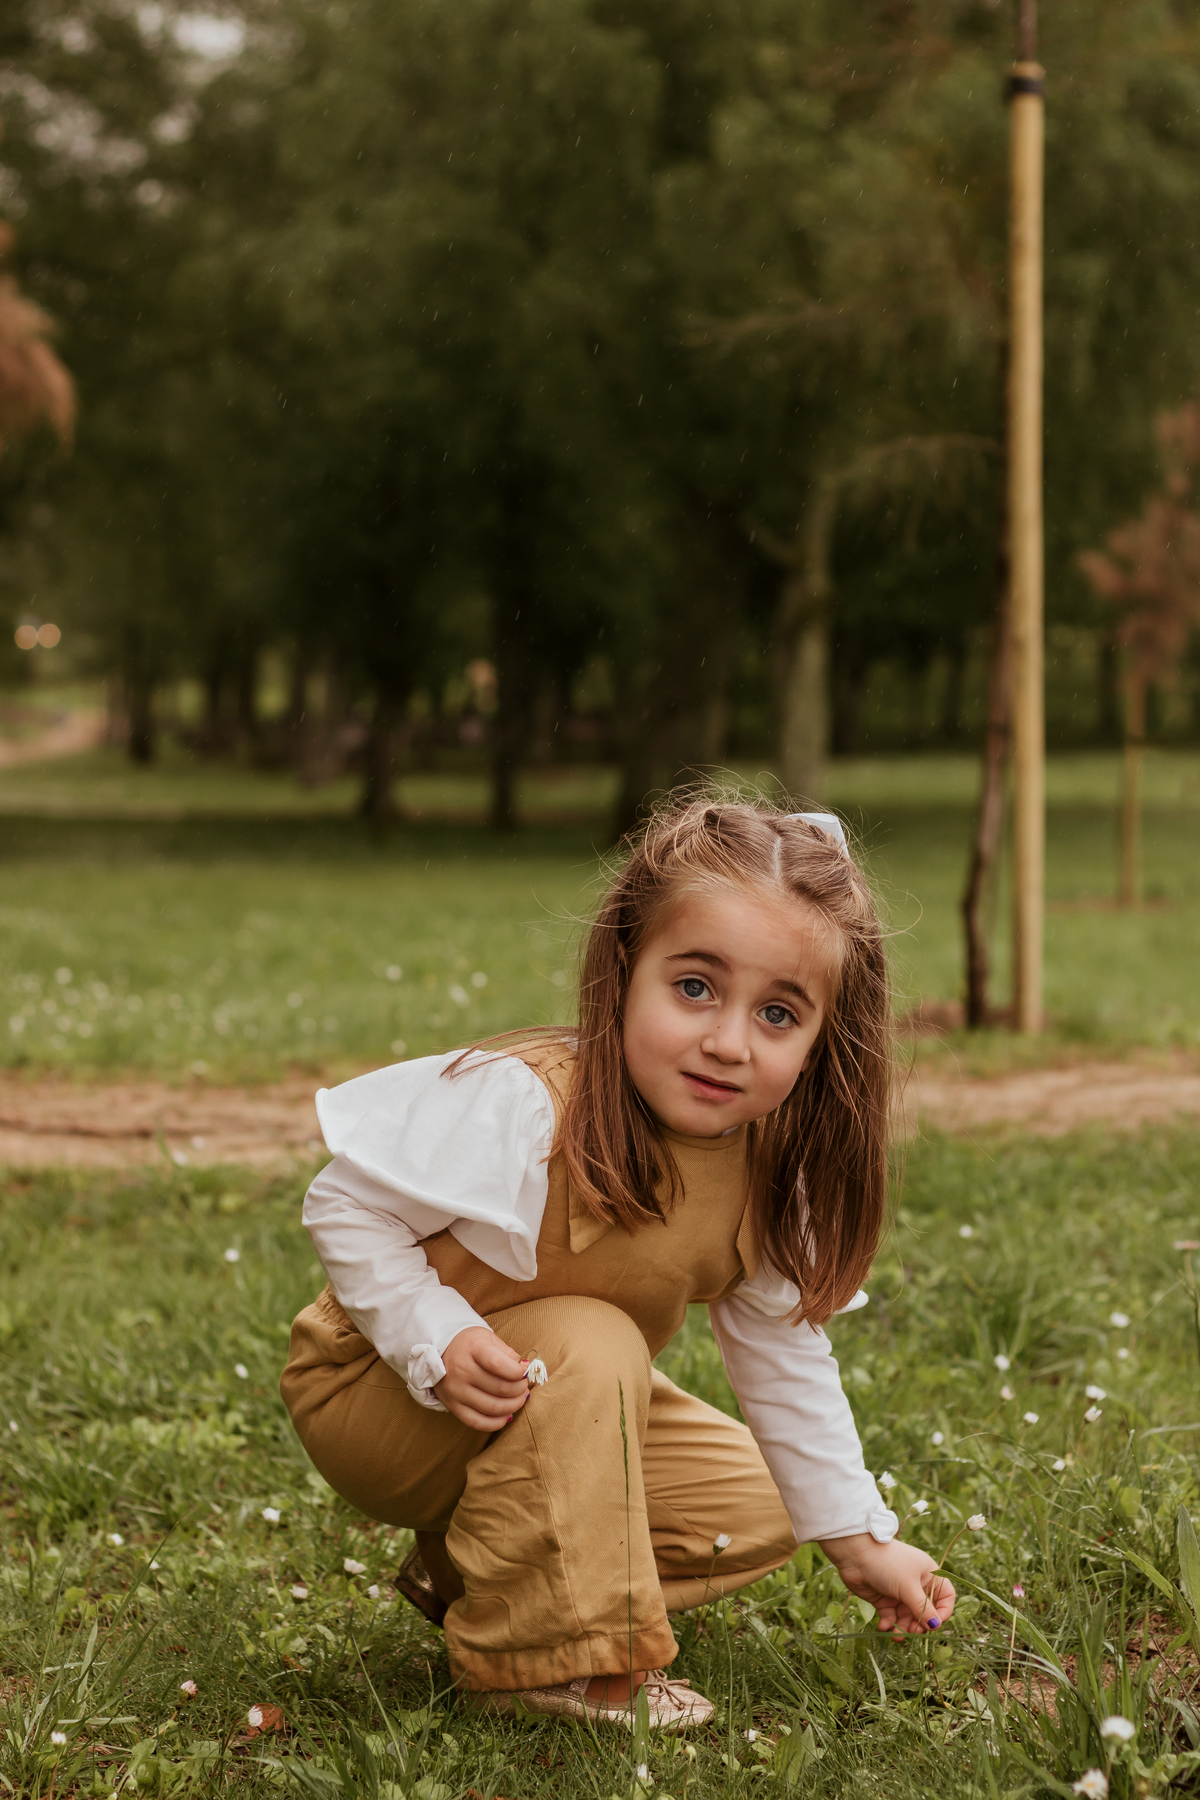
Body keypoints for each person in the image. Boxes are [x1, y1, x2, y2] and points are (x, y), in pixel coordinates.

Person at [280, 798, 955, 1732]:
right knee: (593, 1341)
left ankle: (491, 1573)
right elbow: (343, 1203)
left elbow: (784, 1354)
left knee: (758, 1501)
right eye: (694, 988)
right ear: (625, 966)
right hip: (381, 1396)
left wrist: (856, 1535)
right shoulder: (530, 1102)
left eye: (777, 1013)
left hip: (552, 1400)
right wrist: (433, 1335)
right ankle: (557, 1664)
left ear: (821, 1039)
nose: (728, 1040)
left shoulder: (764, 1173)